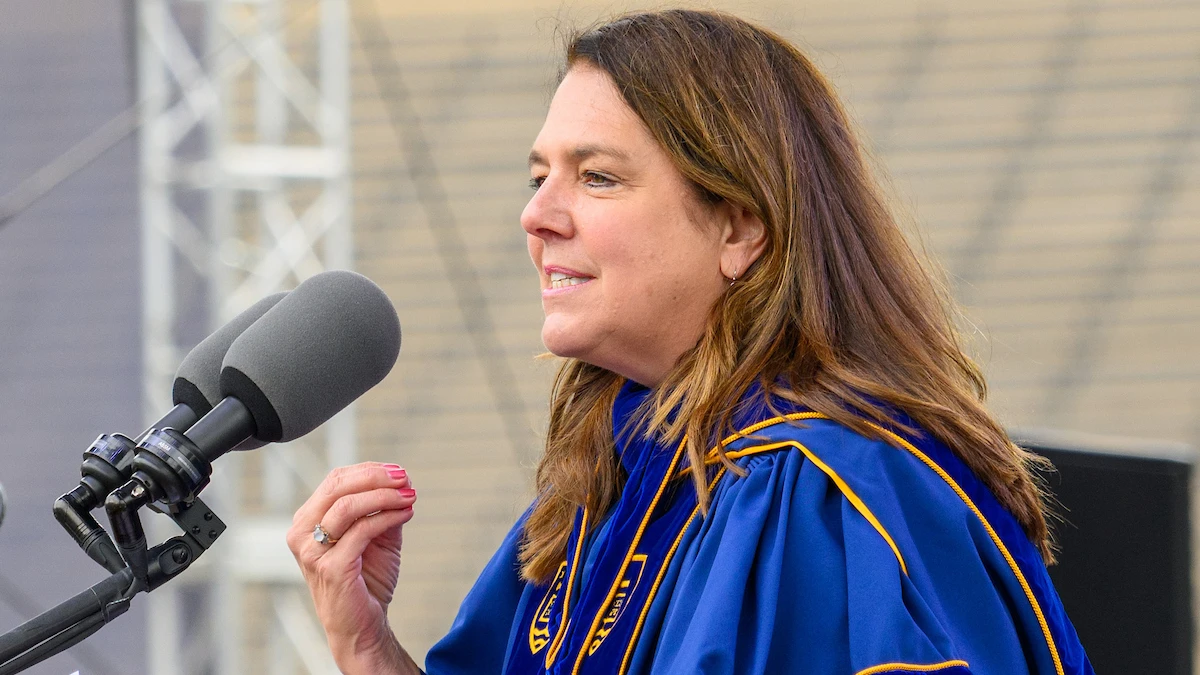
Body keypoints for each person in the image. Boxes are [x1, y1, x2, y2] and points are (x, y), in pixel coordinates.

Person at [287, 9, 1095, 675]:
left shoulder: (831, 490)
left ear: (740, 226)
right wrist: (366, 646)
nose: (537, 215)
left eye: (597, 176)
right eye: (539, 178)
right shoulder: (606, 482)